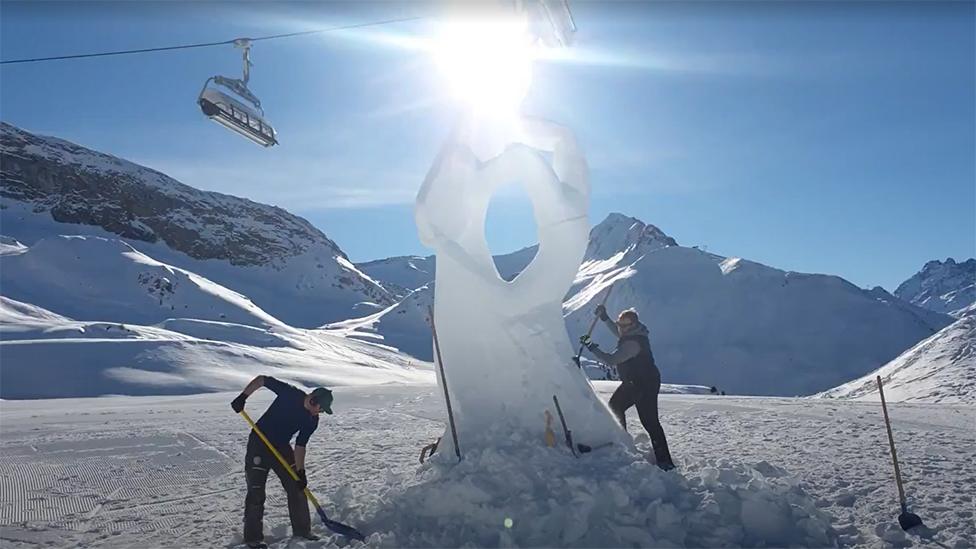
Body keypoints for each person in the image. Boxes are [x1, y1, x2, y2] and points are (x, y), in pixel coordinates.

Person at [231, 376, 334, 548]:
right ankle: (253, 538)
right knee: (256, 491)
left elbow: (300, 446)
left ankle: (303, 531)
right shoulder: (290, 393)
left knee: (297, 486)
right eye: (321, 409)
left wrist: (301, 472)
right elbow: (263, 380)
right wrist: (243, 397)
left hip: (281, 447)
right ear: (313, 400)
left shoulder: (312, 420)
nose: (320, 413)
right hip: (259, 443)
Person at [580, 306, 676, 471]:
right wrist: (605, 318)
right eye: (620, 324)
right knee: (616, 407)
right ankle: (622, 442)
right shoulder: (632, 333)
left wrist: (591, 347)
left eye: (625, 325)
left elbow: (612, 359)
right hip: (636, 382)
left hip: (644, 384)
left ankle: (664, 462)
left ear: (633, 325)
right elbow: (618, 332)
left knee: (649, 421)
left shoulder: (633, 343)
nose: (621, 328)